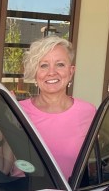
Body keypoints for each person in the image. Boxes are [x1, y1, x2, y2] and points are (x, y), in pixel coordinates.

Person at [18, 36, 96, 178]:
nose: (52, 72)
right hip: (22, 190)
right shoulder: (17, 110)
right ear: (35, 73)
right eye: (43, 65)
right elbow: (3, 166)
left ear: (71, 72)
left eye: (60, 64)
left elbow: (93, 163)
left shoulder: (88, 112)